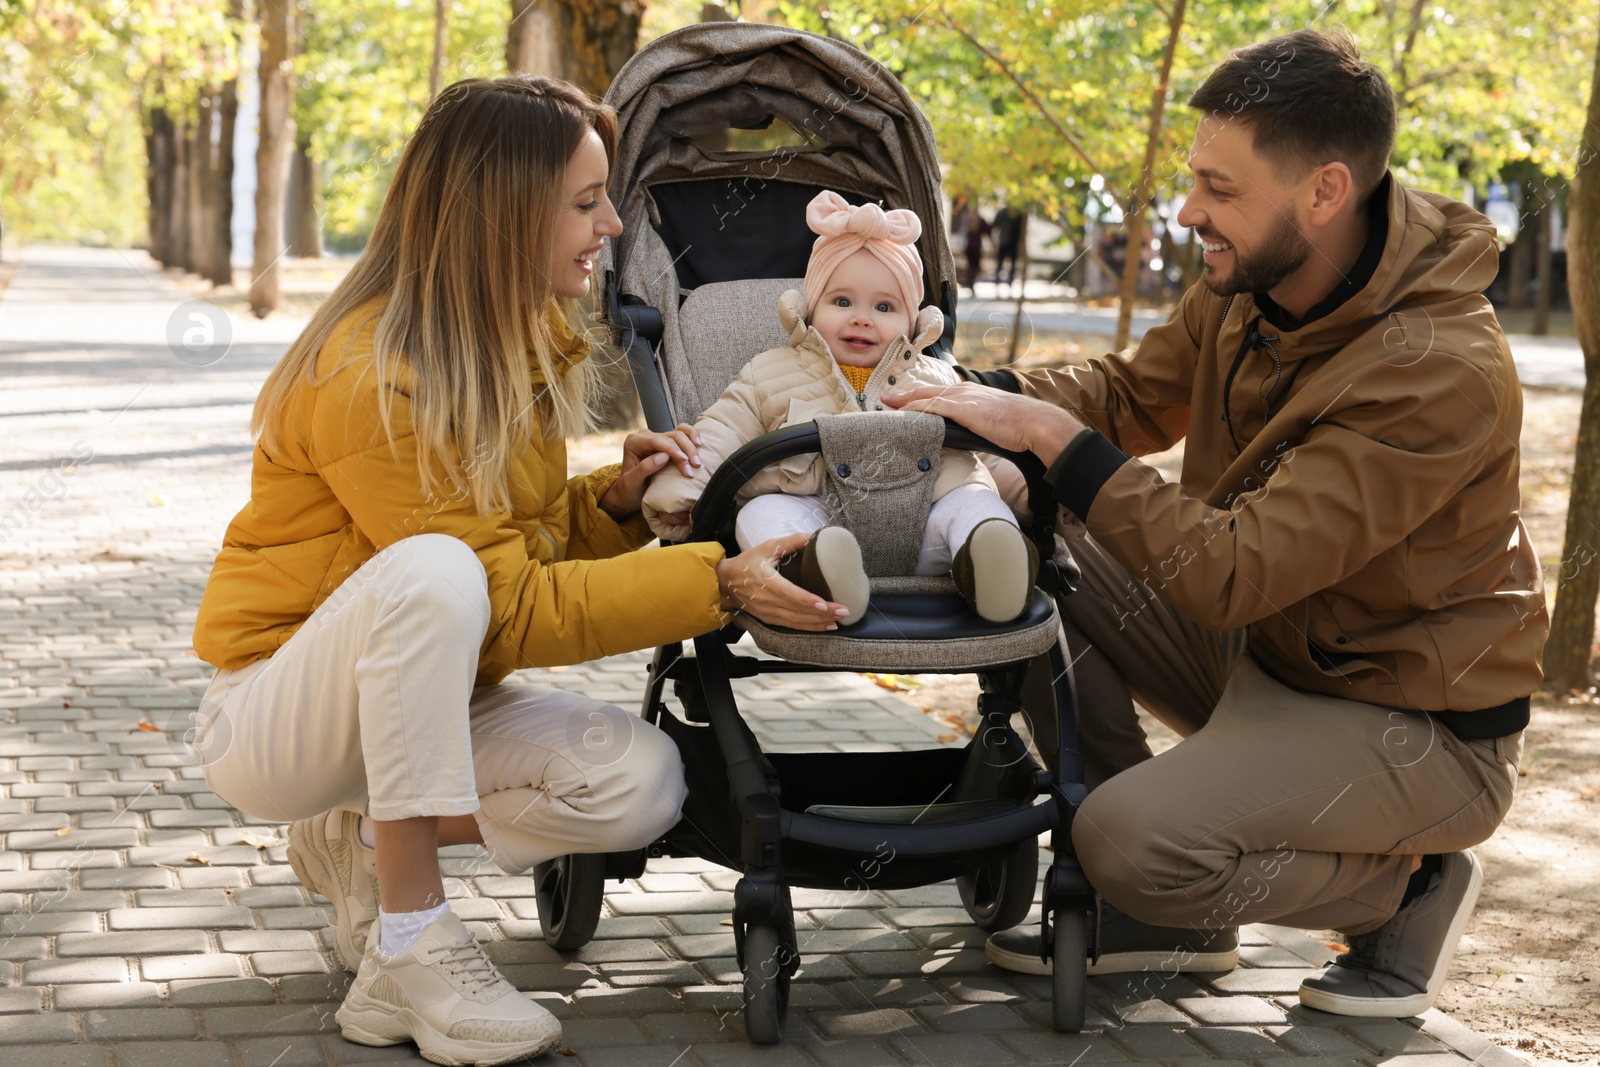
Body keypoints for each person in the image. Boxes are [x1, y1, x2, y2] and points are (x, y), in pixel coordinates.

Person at [189, 76, 850, 1066]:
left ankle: (369, 878)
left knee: (641, 781)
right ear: (502, 212)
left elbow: (517, 547)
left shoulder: (515, 342)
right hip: (278, 714)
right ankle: (417, 934)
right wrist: (715, 579)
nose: (611, 223)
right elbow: (498, 603)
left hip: (420, 694)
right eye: (586, 202)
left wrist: (611, 507)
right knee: (431, 573)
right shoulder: (370, 371)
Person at [887, 28, 1545, 1018]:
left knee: (1126, 840)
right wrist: (969, 390)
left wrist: (1048, 437)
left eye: (1218, 188)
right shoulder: (1259, 276)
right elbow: (1131, 394)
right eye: (1194, 180)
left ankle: (1407, 888)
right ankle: (1160, 912)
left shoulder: (1434, 370)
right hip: (1272, 652)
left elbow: (1233, 572)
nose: (1189, 211)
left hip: (1410, 725)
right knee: (1018, 532)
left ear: (1322, 193)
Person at [642, 190, 1035, 624]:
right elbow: (721, 433)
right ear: (810, 310)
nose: (862, 318)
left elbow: (980, 454)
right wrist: (680, 494)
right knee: (763, 511)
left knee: (974, 501)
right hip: (817, 514)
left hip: (925, 527)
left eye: (884, 307)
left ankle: (990, 564)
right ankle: (815, 573)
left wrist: (1035, 492)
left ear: (912, 321)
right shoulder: (769, 372)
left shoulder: (936, 378)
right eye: (842, 302)